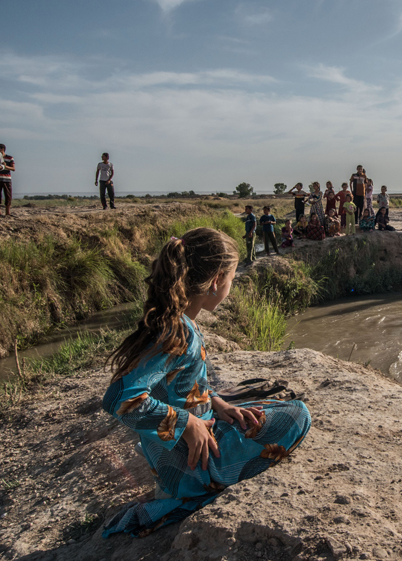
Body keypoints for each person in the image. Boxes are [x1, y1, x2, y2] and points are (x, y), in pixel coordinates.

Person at [100, 228, 311, 538]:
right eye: (231, 279)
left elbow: (181, 385)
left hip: (178, 456)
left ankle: (207, 454)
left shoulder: (175, 320)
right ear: (215, 282)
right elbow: (118, 398)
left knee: (254, 406)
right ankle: (208, 483)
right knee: (297, 414)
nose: (231, 286)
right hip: (192, 463)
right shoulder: (178, 332)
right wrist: (187, 424)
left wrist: (218, 402)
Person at [0, 143, 14, 217]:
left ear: (2, 149)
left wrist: (5, 166)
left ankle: (7, 212)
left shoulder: (9, 158)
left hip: (7, 178)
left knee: (8, 195)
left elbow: (13, 168)